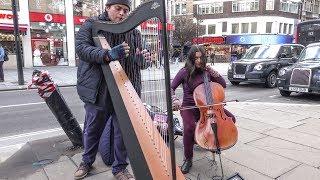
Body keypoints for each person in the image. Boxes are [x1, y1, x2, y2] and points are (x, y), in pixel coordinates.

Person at [74, 0, 150, 179]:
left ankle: (120, 168)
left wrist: (143, 59)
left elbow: (141, 64)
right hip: (99, 89)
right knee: (93, 129)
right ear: (107, 8)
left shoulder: (134, 33)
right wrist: (107, 54)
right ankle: (86, 161)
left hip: (124, 89)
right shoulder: (91, 25)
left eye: (125, 10)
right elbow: (81, 49)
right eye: (118, 9)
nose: (122, 13)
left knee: (122, 131)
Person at [171, 45, 236, 174]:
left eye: (201, 58)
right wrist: (175, 99)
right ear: (191, 59)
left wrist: (215, 74)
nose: (199, 61)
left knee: (231, 119)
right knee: (189, 127)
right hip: (189, 106)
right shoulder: (184, 72)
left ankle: (210, 141)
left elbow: (222, 85)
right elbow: (171, 87)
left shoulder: (207, 71)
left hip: (209, 107)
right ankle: (188, 159)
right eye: (196, 58)